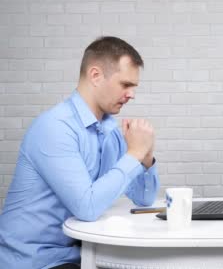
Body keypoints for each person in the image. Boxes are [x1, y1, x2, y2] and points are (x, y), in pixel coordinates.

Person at [0, 36, 160, 269]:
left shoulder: (109, 130)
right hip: (35, 260)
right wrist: (133, 154)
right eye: (126, 85)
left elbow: (144, 199)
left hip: (79, 255)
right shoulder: (55, 127)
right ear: (95, 76)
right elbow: (87, 207)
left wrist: (145, 158)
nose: (132, 94)